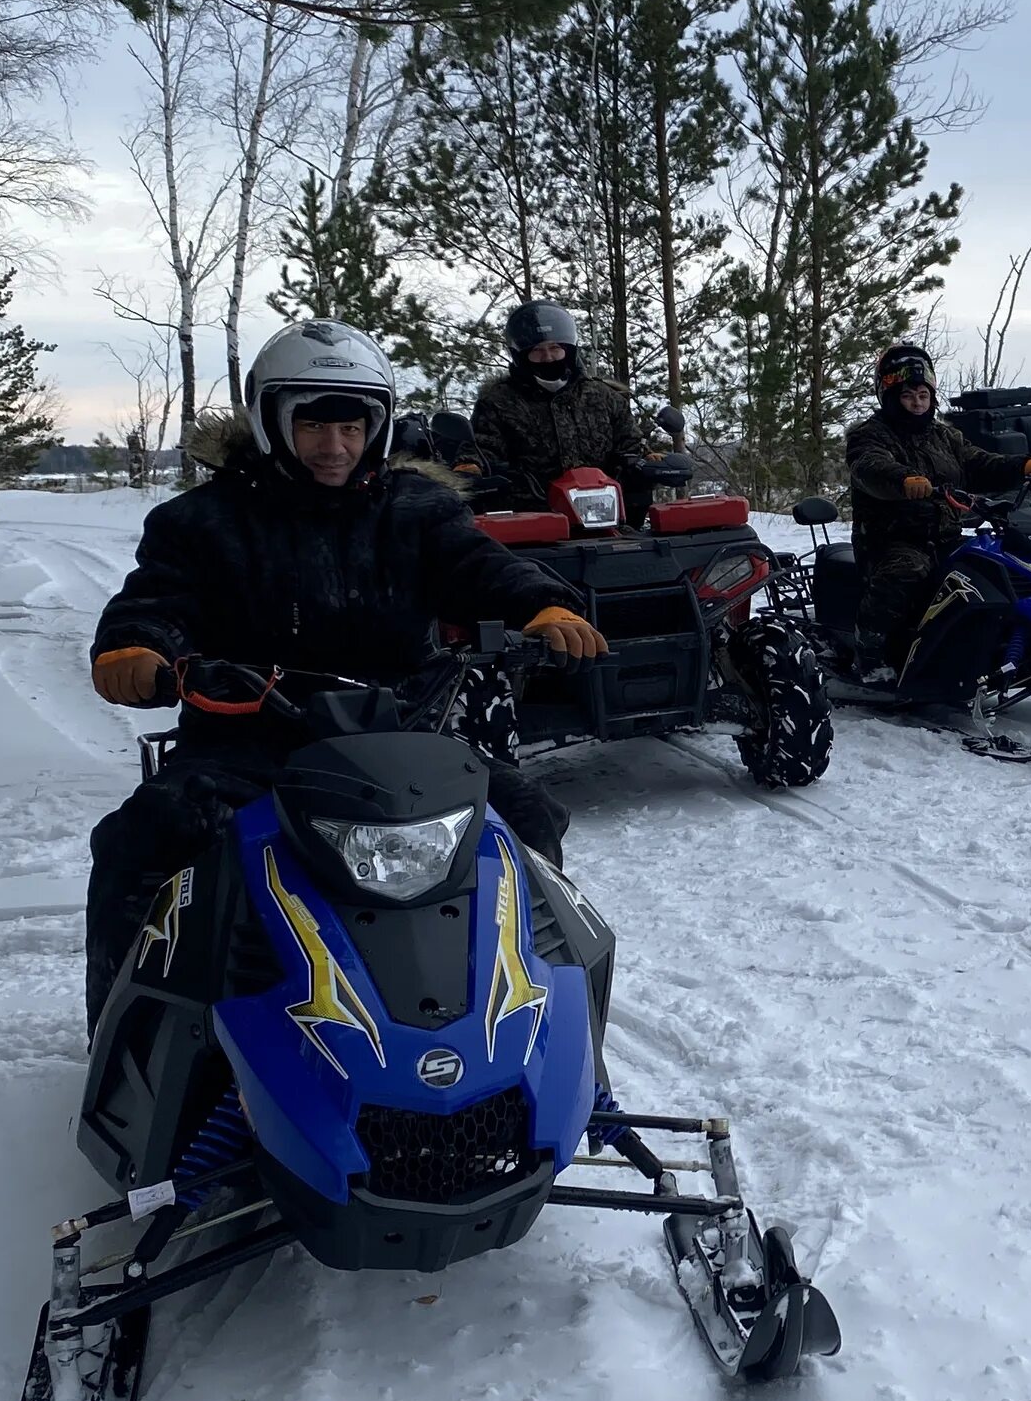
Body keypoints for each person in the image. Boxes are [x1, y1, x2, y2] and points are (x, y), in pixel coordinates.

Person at [83, 321, 609, 1024]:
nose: (335, 447)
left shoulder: (417, 509)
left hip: (402, 733)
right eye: (313, 426)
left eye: (354, 426)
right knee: (144, 835)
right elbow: (156, 596)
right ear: (272, 420)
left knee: (525, 817)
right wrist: (134, 646)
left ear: (380, 426)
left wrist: (543, 603)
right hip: (252, 739)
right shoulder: (201, 521)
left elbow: (480, 565)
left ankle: (530, 1018)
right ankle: (130, 1029)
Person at [840, 343, 1031, 673]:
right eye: (908, 395)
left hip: (945, 535)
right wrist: (903, 480)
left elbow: (978, 462)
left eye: (923, 395)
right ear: (891, 395)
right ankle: (870, 655)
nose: (916, 403)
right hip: (891, 540)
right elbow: (869, 467)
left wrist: (1023, 466)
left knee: (991, 566)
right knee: (907, 571)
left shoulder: (944, 436)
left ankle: (989, 646)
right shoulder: (870, 435)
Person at [468, 300, 661, 512]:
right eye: (538, 351)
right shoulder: (498, 402)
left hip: (606, 512)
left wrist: (649, 462)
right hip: (533, 517)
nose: (548, 357)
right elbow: (483, 446)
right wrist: (470, 467)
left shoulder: (603, 397)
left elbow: (629, 445)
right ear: (521, 356)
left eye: (555, 348)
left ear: (569, 350)